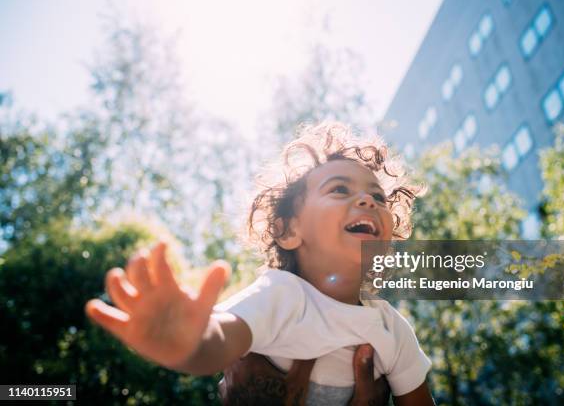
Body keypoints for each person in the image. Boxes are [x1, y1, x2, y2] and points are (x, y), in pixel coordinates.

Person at [86, 122, 435, 405]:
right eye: (339, 190)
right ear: (288, 231)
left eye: (377, 197)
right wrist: (189, 343)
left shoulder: (392, 327)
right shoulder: (281, 296)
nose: (368, 201)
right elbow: (221, 337)